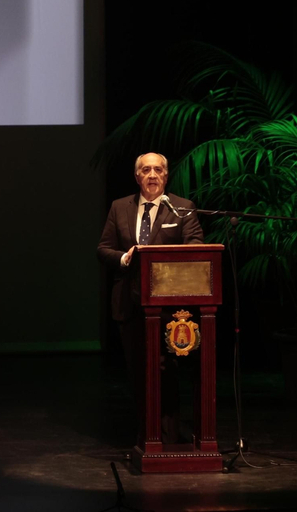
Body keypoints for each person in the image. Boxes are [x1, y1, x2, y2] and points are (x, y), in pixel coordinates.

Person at [96, 151, 205, 443]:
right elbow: (103, 249)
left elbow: (196, 248)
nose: (152, 175)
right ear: (137, 176)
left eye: (158, 170)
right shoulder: (120, 207)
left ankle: (168, 433)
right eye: (146, 170)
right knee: (138, 372)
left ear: (166, 177)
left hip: (170, 307)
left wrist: (161, 259)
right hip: (129, 305)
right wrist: (124, 258)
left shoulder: (183, 208)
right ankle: (146, 432)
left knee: (166, 371)